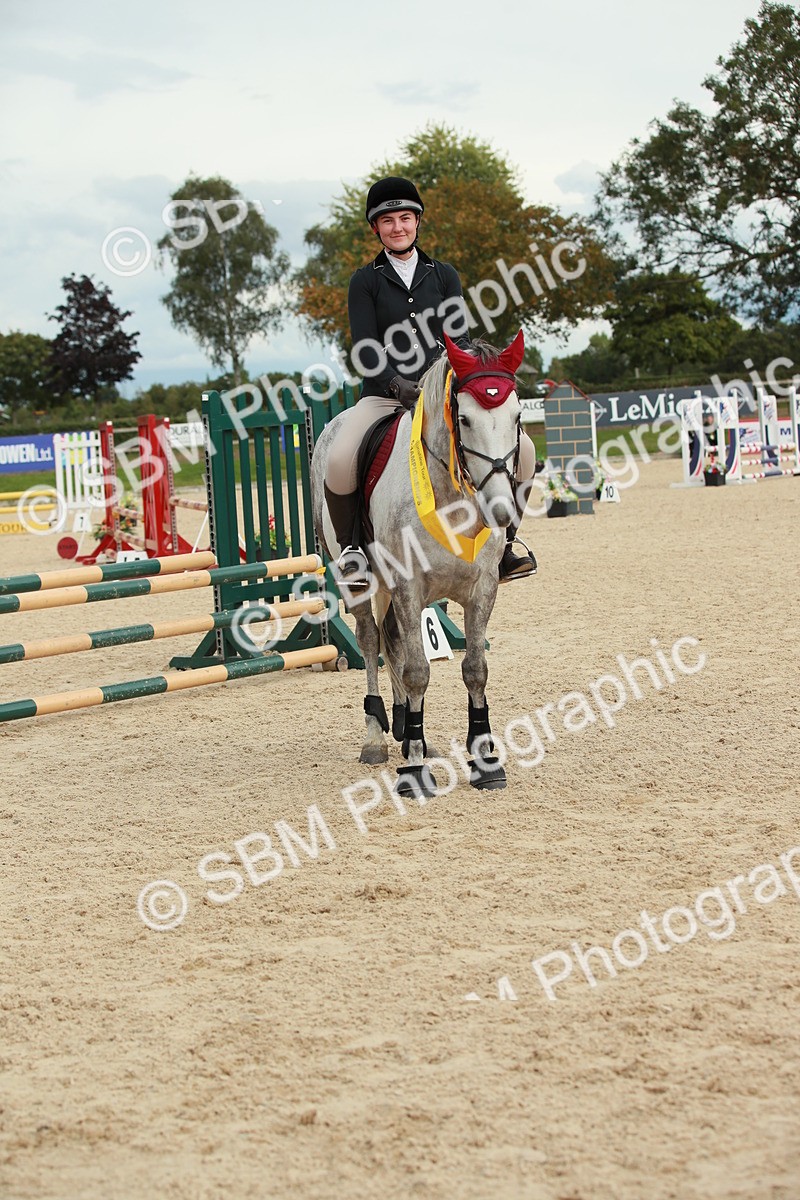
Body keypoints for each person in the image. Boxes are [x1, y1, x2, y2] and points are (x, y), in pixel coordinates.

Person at [324, 175, 537, 591]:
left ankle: (506, 543)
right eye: (388, 221)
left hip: (442, 397)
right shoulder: (364, 281)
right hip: (385, 398)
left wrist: (460, 383)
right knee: (339, 459)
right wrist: (395, 386)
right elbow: (367, 349)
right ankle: (353, 550)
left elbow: (457, 342)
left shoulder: (444, 276)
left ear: (418, 222)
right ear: (376, 228)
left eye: (405, 218)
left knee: (524, 450)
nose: (398, 227)